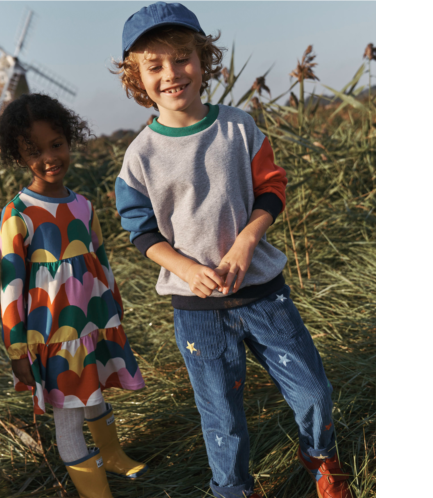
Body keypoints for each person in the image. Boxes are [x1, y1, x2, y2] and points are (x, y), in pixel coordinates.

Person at [114, 3, 354, 498]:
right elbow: (140, 231)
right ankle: (232, 490)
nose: (171, 74)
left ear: (203, 59)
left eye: (182, 58)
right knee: (222, 418)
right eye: (154, 66)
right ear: (136, 78)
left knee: (313, 391)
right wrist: (182, 267)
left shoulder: (239, 127)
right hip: (198, 309)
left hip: (265, 292)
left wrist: (248, 238)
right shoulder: (139, 157)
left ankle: (320, 456)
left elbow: (272, 188)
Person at [0, 94, 148, 498]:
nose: (49, 157)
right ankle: (95, 491)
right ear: (17, 155)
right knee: (69, 416)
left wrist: (114, 307)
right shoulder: (19, 214)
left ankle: (112, 455)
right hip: (52, 337)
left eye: (56, 144)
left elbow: (99, 260)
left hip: (95, 325)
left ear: (70, 140)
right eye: (33, 151)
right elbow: (11, 284)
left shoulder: (83, 204)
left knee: (94, 394)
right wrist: (16, 350)